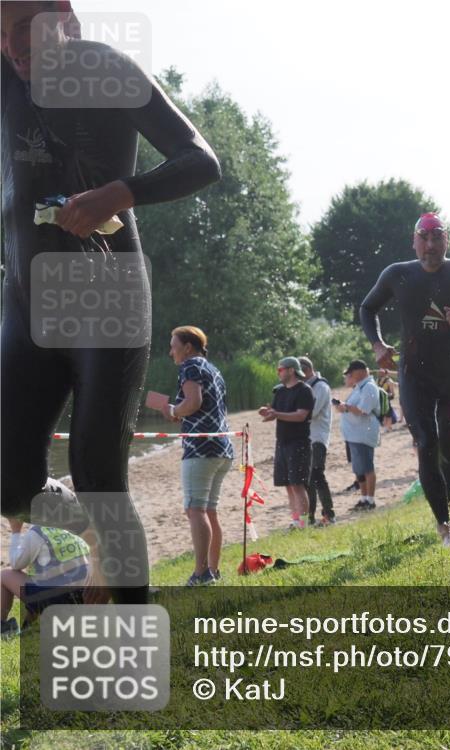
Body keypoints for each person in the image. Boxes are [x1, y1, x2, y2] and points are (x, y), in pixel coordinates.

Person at [1, 3, 221, 604]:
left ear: (65, 19)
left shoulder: (106, 68)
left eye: (24, 26)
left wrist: (117, 194)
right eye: (0, 32)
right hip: (24, 305)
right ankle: (89, 530)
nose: (12, 46)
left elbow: (200, 160)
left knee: (102, 475)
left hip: (108, 300)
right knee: (9, 484)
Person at [359, 213, 450, 547]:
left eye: (436, 237)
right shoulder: (397, 275)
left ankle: (445, 507)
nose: (430, 245)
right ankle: (444, 525)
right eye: (423, 238)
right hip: (415, 376)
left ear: (446, 241)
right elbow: (368, 309)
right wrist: (377, 344)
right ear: (414, 242)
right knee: (426, 443)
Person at [160, 326, 233, 585]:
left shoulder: (189, 367)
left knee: (195, 510)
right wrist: (178, 410)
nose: (171, 352)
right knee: (209, 511)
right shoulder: (213, 369)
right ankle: (213, 570)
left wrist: (174, 411)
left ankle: (202, 574)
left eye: (173, 345)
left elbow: (193, 403)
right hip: (222, 447)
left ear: (188, 347)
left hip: (201, 448)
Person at [1, 520, 90, 636]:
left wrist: (16, 530)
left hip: (59, 601)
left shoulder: (38, 531)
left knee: (4, 576)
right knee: (46, 577)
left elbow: (15, 563)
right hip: (87, 597)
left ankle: (2, 627)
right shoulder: (72, 526)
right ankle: (29, 625)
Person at [259, 357, 314, 529]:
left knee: (298, 484)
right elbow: (274, 415)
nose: (278, 372)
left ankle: (304, 524)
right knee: (288, 486)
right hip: (282, 443)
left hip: (299, 443)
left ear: (291, 370)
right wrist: (267, 413)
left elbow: (301, 415)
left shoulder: (305, 390)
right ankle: (296, 521)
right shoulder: (280, 391)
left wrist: (276, 414)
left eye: (280, 369)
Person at [337, 360, 381, 504]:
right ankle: (363, 498)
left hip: (363, 433)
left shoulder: (369, 387)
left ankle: (371, 499)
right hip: (354, 434)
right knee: (359, 469)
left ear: (360, 371)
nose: (350, 375)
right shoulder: (359, 387)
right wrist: (344, 407)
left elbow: (363, 410)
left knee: (367, 468)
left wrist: (346, 407)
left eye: (351, 373)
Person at [299, 357, 335, 526]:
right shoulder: (305, 387)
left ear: (305, 371)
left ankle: (329, 515)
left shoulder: (321, 386)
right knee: (308, 478)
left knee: (317, 475)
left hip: (318, 438)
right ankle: (311, 518)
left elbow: (311, 413)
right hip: (306, 438)